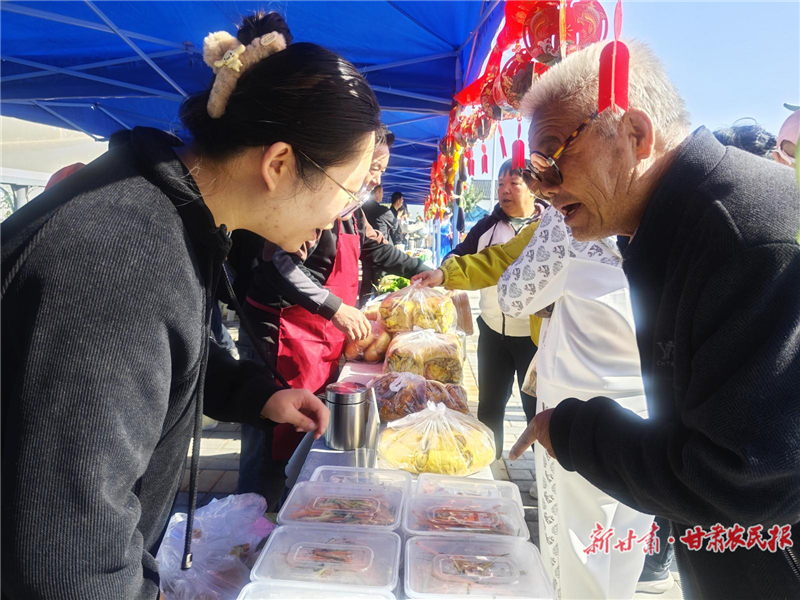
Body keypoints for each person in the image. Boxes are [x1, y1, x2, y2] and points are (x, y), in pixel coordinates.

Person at [1, 11, 382, 599]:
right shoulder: (122, 254)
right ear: (279, 164)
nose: (341, 217)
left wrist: (256, 394)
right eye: (347, 191)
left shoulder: (167, 216)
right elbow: (68, 543)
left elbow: (158, 355)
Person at [508, 39, 800, 598]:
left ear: (636, 135)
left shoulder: (743, 234)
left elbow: (742, 478)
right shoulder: (678, 225)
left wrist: (572, 431)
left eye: (552, 157)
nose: (541, 187)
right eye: (532, 169)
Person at [236, 128, 430, 499]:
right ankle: (253, 513)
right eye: (373, 167)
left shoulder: (352, 211)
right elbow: (278, 264)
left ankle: (293, 501)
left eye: (381, 170)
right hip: (279, 336)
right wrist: (334, 307)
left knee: (304, 429)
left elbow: (376, 250)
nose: (376, 179)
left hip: (318, 338)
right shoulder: (310, 200)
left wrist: (422, 270)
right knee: (269, 434)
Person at [498, 204, 655, 598]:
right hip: (652, 402)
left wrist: (551, 299)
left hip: (575, 409)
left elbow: (513, 296)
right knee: (627, 539)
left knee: (576, 547)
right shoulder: (682, 207)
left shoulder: (573, 214)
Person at [414, 159, 546, 457]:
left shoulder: (548, 226)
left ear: (532, 188)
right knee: (490, 405)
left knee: (536, 409)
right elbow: (460, 256)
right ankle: (489, 462)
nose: (504, 190)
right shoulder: (487, 226)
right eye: (500, 184)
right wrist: (444, 272)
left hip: (534, 339)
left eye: (514, 183)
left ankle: (541, 471)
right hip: (492, 333)